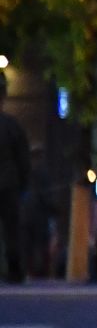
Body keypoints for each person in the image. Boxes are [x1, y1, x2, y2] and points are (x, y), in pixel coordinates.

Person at [0, 71, 32, 284]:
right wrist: (23, 184)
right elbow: (23, 159)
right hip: (8, 184)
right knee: (12, 229)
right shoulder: (11, 125)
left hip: (9, 181)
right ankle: (15, 270)